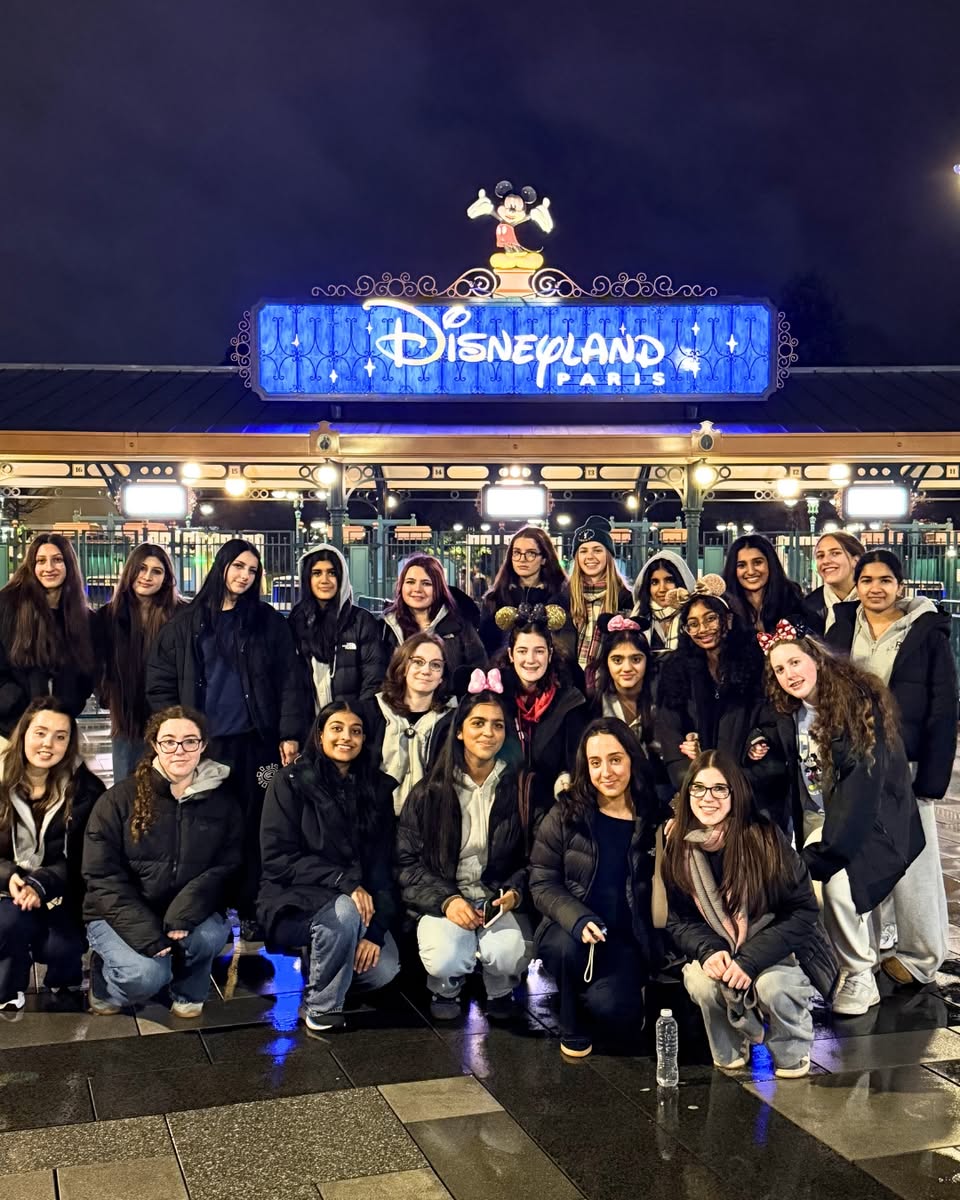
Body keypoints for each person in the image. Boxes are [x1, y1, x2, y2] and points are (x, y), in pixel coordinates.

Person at [146, 538, 309, 941]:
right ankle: (209, 906)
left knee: (258, 826)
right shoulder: (185, 624)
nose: (245, 576)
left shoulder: (267, 622)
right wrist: (177, 732)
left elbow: (291, 680)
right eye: (238, 566)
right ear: (222, 566)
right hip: (204, 748)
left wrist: (289, 733)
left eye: (252, 570)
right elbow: (160, 682)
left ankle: (253, 907)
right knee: (207, 827)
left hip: (256, 744)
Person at [761, 624, 925, 1015]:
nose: (789, 675)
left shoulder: (856, 707)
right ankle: (843, 961)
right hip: (817, 817)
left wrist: (822, 857)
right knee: (814, 889)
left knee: (836, 886)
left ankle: (859, 974)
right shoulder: (791, 710)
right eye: (780, 669)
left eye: (795, 662)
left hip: (869, 823)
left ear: (816, 658)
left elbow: (860, 796)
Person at [663, 750, 837, 1079]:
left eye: (719, 788)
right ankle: (732, 1044)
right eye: (698, 788)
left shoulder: (765, 839)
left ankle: (792, 1046)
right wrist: (708, 950)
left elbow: (802, 910)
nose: (707, 798)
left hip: (774, 948)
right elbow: (678, 920)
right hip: (719, 948)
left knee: (773, 986)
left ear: (736, 793)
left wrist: (749, 961)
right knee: (702, 982)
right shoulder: (677, 844)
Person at [826, 549, 955, 985]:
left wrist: (933, 777)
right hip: (856, 761)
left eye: (885, 580)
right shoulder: (843, 627)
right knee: (863, 856)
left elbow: (943, 706)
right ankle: (868, 949)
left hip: (906, 762)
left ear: (900, 585)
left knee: (915, 859)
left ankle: (922, 957)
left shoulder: (927, 631)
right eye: (866, 580)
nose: (875, 588)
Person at [83, 706, 240, 1017]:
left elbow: (228, 867)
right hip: (120, 911)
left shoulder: (223, 803)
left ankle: (188, 989)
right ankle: (105, 983)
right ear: (155, 745)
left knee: (209, 936)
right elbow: (101, 877)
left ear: (203, 745)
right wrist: (147, 934)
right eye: (169, 741)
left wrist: (185, 912)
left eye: (190, 741)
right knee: (146, 976)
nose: (179, 749)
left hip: (186, 910)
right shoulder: (118, 800)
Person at [258, 702, 400, 1035]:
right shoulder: (290, 782)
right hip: (293, 898)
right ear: (319, 735)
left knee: (382, 970)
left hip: (357, 899)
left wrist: (375, 933)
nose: (346, 737)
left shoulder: (377, 788)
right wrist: (343, 881)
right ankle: (322, 1007)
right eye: (336, 728)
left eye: (356, 731)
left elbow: (382, 867)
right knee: (344, 912)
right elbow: (277, 859)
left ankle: (326, 959)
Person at [530, 718, 665, 1058]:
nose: (606, 772)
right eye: (595, 762)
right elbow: (542, 881)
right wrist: (578, 919)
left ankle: (598, 992)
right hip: (568, 928)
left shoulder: (652, 815)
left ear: (632, 758)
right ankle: (570, 1016)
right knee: (567, 949)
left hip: (624, 937)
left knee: (618, 1014)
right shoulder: (565, 813)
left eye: (615, 759)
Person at [397, 679, 530, 1021]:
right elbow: (406, 863)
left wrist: (514, 891)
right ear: (459, 731)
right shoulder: (430, 792)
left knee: (510, 954)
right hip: (446, 896)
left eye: (497, 725)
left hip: (493, 898)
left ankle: (499, 984)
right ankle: (446, 986)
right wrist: (447, 900)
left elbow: (532, 859)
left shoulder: (518, 789)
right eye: (478, 723)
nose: (488, 733)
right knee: (446, 957)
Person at [0, 699, 104, 1009]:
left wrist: (41, 883)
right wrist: (8, 876)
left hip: (62, 891)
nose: (48, 744)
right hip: (8, 890)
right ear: (24, 734)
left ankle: (64, 980)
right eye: (40, 733)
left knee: (62, 947)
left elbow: (89, 858)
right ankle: (8, 985)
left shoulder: (86, 790)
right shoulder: (2, 783)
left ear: (70, 743)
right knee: (10, 923)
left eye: (60, 736)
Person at [654, 575, 767, 798]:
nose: (703, 629)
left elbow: (769, 721)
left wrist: (756, 739)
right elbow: (670, 732)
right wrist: (697, 785)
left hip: (748, 789)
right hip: (697, 791)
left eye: (711, 619)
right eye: (693, 624)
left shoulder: (756, 662)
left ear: (729, 619)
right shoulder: (675, 669)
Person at [92, 543, 184, 783]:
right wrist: (106, 694)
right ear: (130, 570)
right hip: (127, 719)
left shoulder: (182, 615)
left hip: (170, 716)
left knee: (170, 785)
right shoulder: (107, 616)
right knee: (126, 788)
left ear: (166, 578)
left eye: (157, 571)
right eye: (142, 568)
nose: (147, 576)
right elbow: (96, 664)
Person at [495, 604, 588, 829]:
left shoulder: (570, 701)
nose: (531, 659)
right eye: (522, 651)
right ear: (511, 655)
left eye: (539, 651)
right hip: (501, 807)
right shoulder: (495, 698)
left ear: (550, 653)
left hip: (551, 811)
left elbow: (574, 762)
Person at [0, 534, 94, 739]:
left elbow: (87, 672)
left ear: (69, 564)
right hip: (10, 729)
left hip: (59, 728)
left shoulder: (82, 618)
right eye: (41, 561)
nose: (49, 567)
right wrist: (17, 705)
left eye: (57, 560)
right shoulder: (6, 606)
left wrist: (72, 703)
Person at [360, 633, 457, 816]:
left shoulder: (453, 719)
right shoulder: (372, 712)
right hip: (378, 817)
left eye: (435, 665)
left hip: (430, 818)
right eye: (418, 662)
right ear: (403, 667)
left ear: (442, 677)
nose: (426, 671)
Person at [289, 544, 386, 713]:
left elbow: (373, 681)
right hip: (307, 724)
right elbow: (288, 683)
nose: (324, 580)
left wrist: (352, 721)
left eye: (332, 573)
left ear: (342, 577)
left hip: (351, 723)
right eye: (317, 573)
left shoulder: (361, 621)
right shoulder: (296, 621)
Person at [589, 615, 666, 794]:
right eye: (617, 660)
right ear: (606, 663)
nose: (627, 668)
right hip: (610, 786)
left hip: (660, 784)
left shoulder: (663, 698)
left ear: (647, 661)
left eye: (636, 659)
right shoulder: (595, 701)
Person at [381, 554, 486, 677]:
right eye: (410, 582)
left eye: (426, 583)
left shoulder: (460, 626)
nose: (417, 589)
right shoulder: (386, 627)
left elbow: (479, 669)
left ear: (439, 588)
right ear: (401, 586)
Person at [478, 526, 571, 658]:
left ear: (544, 558)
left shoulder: (562, 597)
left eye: (531, 553)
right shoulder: (494, 598)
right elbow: (485, 647)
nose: (522, 559)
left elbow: (567, 645)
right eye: (516, 553)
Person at [568, 515, 632, 685]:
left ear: (608, 555)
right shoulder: (563, 598)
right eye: (583, 551)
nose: (590, 556)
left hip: (610, 683)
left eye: (597, 550)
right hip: (570, 684)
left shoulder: (626, 599)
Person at [722, 534, 805, 635]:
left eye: (757, 562)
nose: (751, 571)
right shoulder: (723, 608)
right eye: (742, 565)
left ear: (770, 563)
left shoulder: (792, 599)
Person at [631, 550, 696, 657]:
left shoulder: (693, 616)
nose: (662, 589)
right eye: (654, 582)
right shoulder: (638, 617)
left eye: (669, 580)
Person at [800, 532, 864, 635]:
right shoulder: (805, 609)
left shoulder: (877, 601)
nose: (825, 561)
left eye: (835, 553)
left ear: (856, 561)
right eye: (820, 556)